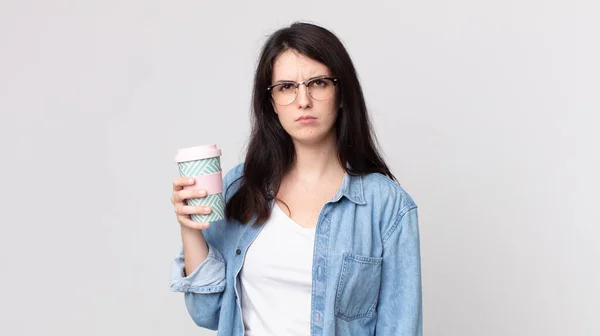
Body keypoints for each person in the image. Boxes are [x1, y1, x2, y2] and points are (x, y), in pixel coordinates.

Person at [169, 22, 423, 336]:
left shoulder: (387, 206)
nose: (303, 100)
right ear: (272, 103)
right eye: (286, 87)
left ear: (341, 94)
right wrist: (191, 229)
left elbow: (400, 328)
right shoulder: (239, 188)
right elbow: (207, 312)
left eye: (318, 83)